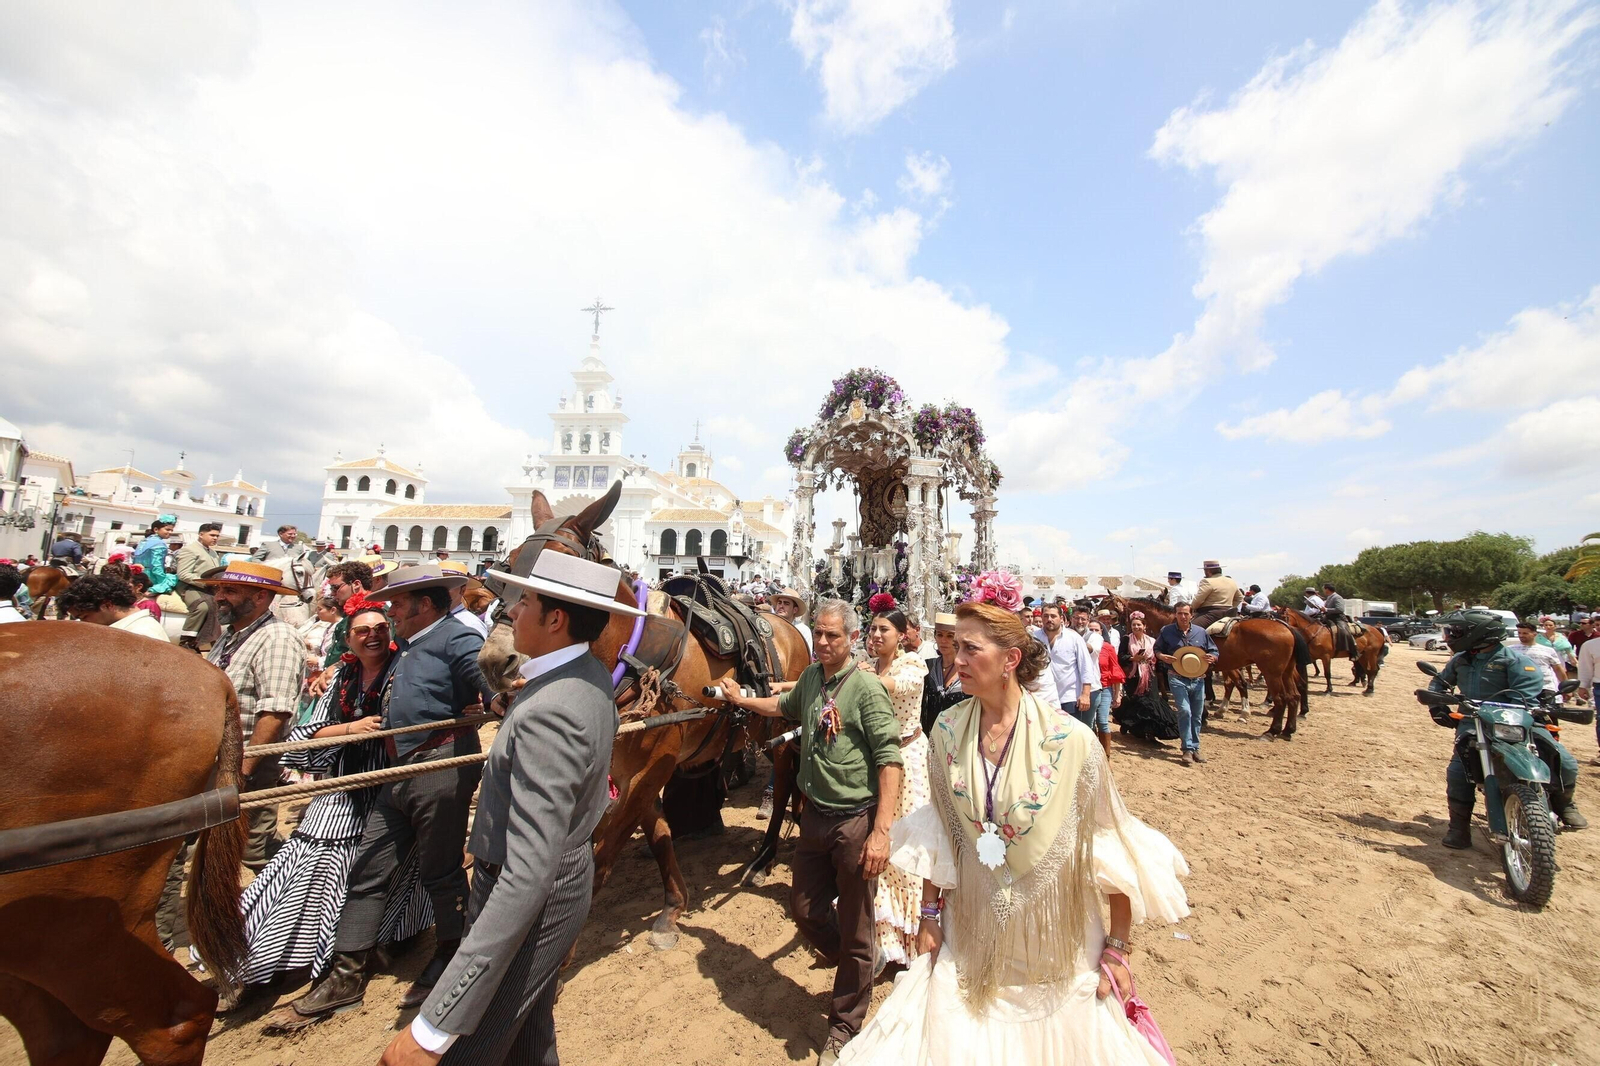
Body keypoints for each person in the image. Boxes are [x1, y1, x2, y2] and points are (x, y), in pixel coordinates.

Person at [834, 593, 1190, 1066]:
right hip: (971, 936)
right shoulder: (944, 730)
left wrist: (1119, 946)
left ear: (1011, 660)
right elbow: (940, 832)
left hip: (1055, 949)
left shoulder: (1074, 743)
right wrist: (929, 914)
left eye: (969, 649)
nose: (954, 659)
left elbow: (1108, 843)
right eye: (954, 646)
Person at [377, 550, 641, 1064]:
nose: (511, 612)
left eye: (523, 602)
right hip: (557, 883)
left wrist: (433, 1028)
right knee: (528, 1043)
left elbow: (527, 874)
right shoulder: (585, 678)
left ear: (556, 619)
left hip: (526, 899)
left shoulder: (550, 710)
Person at [290, 563, 493, 1025]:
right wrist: (333, 672)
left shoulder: (457, 638)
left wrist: (493, 701)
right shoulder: (412, 644)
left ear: (424, 605)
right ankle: (346, 974)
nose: (392, 614)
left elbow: (489, 681)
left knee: (441, 868)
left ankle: (451, 954)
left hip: (439, 766)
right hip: (398, 771)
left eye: (397, 605)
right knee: (368, 868)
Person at [719, 599, 904, 1065]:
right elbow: (782, 705)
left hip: (855, 823)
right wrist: (740, 698)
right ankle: (860, 964)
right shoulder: (812, 680)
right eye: (818, 634)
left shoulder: (865, 689)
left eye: (832, 636)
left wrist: (881, 832)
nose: (822, 643)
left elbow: (890, 761)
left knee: (857, 925)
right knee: (804, 909)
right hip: (815, 816)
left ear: (852, 639)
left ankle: (844, 1027)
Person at [240, 606, 433, 995]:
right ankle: (276, 953)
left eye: (381, 628)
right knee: (310, 860)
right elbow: (306, 734)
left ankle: (359, 950)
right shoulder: (342, 676)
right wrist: (352, 728)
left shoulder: (407, 665)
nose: (373, 636)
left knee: (387, 869)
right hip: (342, 784)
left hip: (389, 783)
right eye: (362, 631)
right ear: (348, 640)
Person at [1426, 609, 1586, 844]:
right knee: (1458, 772)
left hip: (1517, 722)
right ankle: (1459, 827)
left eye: (1455, 632)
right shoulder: (1461, 660)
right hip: (1475, 723)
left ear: (1477, 633)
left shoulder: (1515, 661)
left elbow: (1527, 694)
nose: (1449, 636)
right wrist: (1437, 706)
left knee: (1566, 761)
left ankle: (1565, 804)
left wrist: (1523, 709)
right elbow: (1439, 683)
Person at [204, 561, 307, 865]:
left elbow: (275, 712)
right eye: (219, 589)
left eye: (230, 590)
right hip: (221, 759)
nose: (219, 596)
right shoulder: (230, 636)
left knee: (251, 848)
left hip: (249, 761)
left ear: (261, 597)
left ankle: (275, 900)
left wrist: (243, 770)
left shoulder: (277, 638)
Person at [863, 608, 930, 969]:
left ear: (902, 635)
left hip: (908, 763)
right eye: (872, 628)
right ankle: (876, 935)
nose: (875, 635)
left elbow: (893, 687)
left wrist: (851, 677)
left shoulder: (912, 667)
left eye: (883, 629)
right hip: (876, 765)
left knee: (907, 846)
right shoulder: (869, 666)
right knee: (877, 843)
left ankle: (913, 937)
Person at [1153, 603, 1218, 766]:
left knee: (1196, 714)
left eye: (1186, 613)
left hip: (1198, 678)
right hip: (1176, 676)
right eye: (1180, 613)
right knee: (1185, 710)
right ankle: (1187, 748)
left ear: (1192, 615)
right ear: (1175, 614)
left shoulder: (1201, 632)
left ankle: (1195, 748)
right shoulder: (1166, 631)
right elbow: (1157, 649)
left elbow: (1214, 650)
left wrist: (1213, 657)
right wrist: (1162, 657)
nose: (1183, 616)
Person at [1113, 612, 1178, 742]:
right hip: (1134, 675)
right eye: (1133, 625)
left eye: (1139, 625)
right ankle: (1130, 724)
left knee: (1152, 702)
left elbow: (1157, 658)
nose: (1136, 627)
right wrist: (1133, 658)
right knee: (1135, 701)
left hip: (1149, 674)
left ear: (1144, 626)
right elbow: (1120, 656)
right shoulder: (1126, 639)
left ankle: (1150, 731)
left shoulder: (1152, 641)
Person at [57, 574, 170, 641]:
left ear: (107, 605)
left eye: (84, 616)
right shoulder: (130, 630)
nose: (83, 622)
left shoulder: (139, 635)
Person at [1033, 603, 1094, 725]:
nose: (1049, 619)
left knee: (1069, 736)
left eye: (1053, 616)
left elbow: (1086, 667)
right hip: (1042, 697)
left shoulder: (1074, 638)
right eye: (1046, 616)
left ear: (1061, 618)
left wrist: (1085, 694)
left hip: (1069, 697)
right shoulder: (1033, 638)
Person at [173, 521, 224, 650]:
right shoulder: (189, 550)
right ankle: (187, 641)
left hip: (209, 587)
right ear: (201, 534)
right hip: (189, 586)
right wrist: (204, 583)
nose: (215, 538)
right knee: (202, 607)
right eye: (212, 535)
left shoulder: (213, 553)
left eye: (217, 536)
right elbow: (183, 574)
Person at [920, 612, 964, 733]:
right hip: (930, 734)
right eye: (940, 635)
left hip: (957, 735)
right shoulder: (927, 666)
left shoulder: (967, 669)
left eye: (950, 636)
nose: (943, 640)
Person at [1087, 618, 1124, 758]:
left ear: (1102, 631)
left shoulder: (1108, 647)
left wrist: (1117, 694)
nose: (1094, 632)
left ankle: (1106, 757)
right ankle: (1091, 755)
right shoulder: (1081, 646)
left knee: (1102, 721)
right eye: (1091, 630)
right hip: (1089, 688)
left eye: (1097, 630)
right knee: (1089, 723)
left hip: (1105, 687)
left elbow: (1115, 670)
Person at [439, 559, 490, 638]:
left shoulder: (471, 625)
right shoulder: (427, 619)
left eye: (448, 586)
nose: (439, 591)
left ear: (462, 590)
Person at [1515, 620, 1568, 695]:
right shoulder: (1510, 650)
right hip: (1519, 689)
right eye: (1519, 633)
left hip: (1545, 689)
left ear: (1534, 634)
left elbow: (1558, 670)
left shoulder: (1548, 650)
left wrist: (1566, 689)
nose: (1521, 635)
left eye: (1525, 633)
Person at [130, 516, 179, 596]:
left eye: (171, 530)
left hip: (137, 576)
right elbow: (156, 566)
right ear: (156, 529)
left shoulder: (143, 541)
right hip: (151, 579)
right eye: (167, 529)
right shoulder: (159, 544)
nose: (170, 532)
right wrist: (162, 582)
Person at [1189, 560, 1242, 629]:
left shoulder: (1207, 581)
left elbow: (1198, 600)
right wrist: (1230, 606)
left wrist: (1191, 608)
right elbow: (1239, 597)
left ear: (1208, 571)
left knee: (1189, 629)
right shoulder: (1231, 581)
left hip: (1210, 614)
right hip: (1229, 613)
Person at [1319, 583, 1355, 657]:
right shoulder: (1329, 597)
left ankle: (1351, 648)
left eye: (1324, 589)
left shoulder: (1337, 597)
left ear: (1327, 589)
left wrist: (1326, 609)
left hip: (1338, 618)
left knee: (1343, 631)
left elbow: (1340, 609)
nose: (1323, 591)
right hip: (1328, 617)